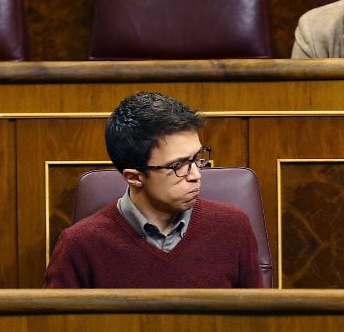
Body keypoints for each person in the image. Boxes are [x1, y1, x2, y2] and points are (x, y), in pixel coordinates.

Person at [45, 92, 262, 289]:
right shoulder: (79, 244)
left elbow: (258, 326)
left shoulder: (233, 226)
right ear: (134, 177)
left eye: (196, 158)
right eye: (179, 165)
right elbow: (59, 331)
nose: (196, 174)